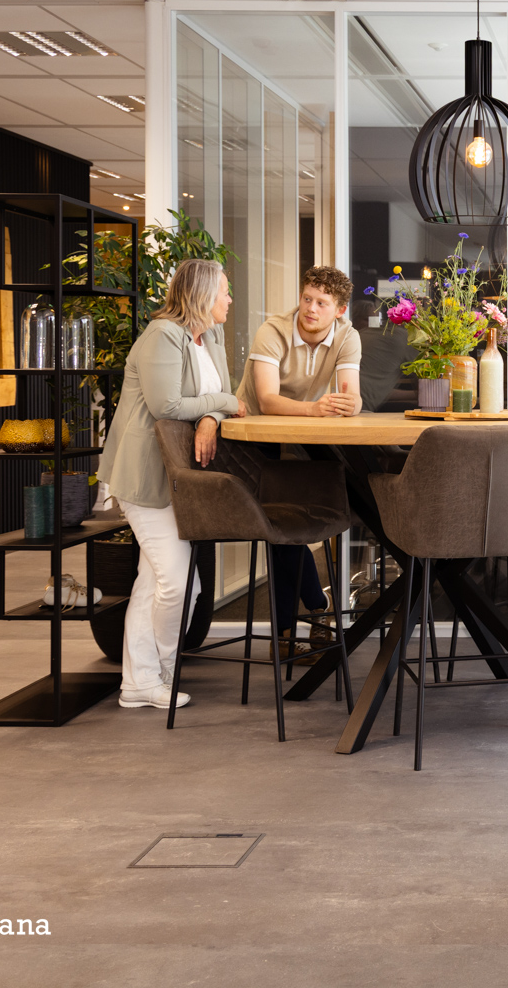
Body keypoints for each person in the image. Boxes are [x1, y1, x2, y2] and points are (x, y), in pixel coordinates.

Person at [97, 258, 243, 710]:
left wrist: (212, 415)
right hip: (145, 475)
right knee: (178, 584)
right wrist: (223, 403)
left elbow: (216, 398)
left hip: (179, 475)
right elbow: (168, 406)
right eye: (224, 291)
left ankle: (139, 681)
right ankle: (160, 668)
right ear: (202, 295)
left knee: (156, 581)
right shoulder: (162, 335)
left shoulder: (209, 337)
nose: (230, 299)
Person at [234, 265, 362, 646]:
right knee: (277, 528)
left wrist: (351, 404)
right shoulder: (273, 331)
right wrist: (316, 409)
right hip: (251, 435)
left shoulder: (347, 336)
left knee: (282, 528)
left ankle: (287, 636)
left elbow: (351, 394)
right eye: (307, 298)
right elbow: (266, 400)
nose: (310, 308)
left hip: (295, 435)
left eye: (322, 303)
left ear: (339, 310)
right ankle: (315, 609)